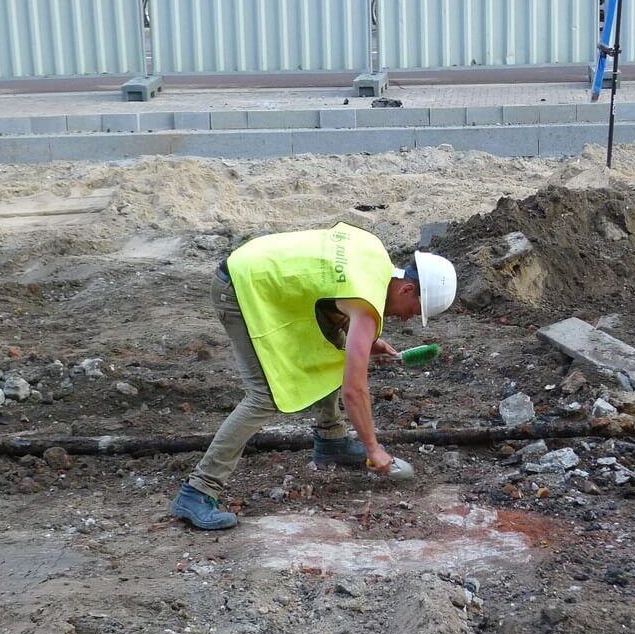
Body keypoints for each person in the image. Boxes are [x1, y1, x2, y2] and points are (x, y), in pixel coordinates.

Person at [169, 222, 457, 530]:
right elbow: (355, 390)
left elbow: (326, 292)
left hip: (262, 274)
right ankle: (198, 490)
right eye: (412, 311)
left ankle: (331, 439)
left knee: (331, 347)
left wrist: (365, 343)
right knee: (265, 395)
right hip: (242, 289)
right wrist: (373, 447)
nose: (404, 318)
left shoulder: (373, 253)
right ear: (407, 288)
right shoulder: (367, 303)